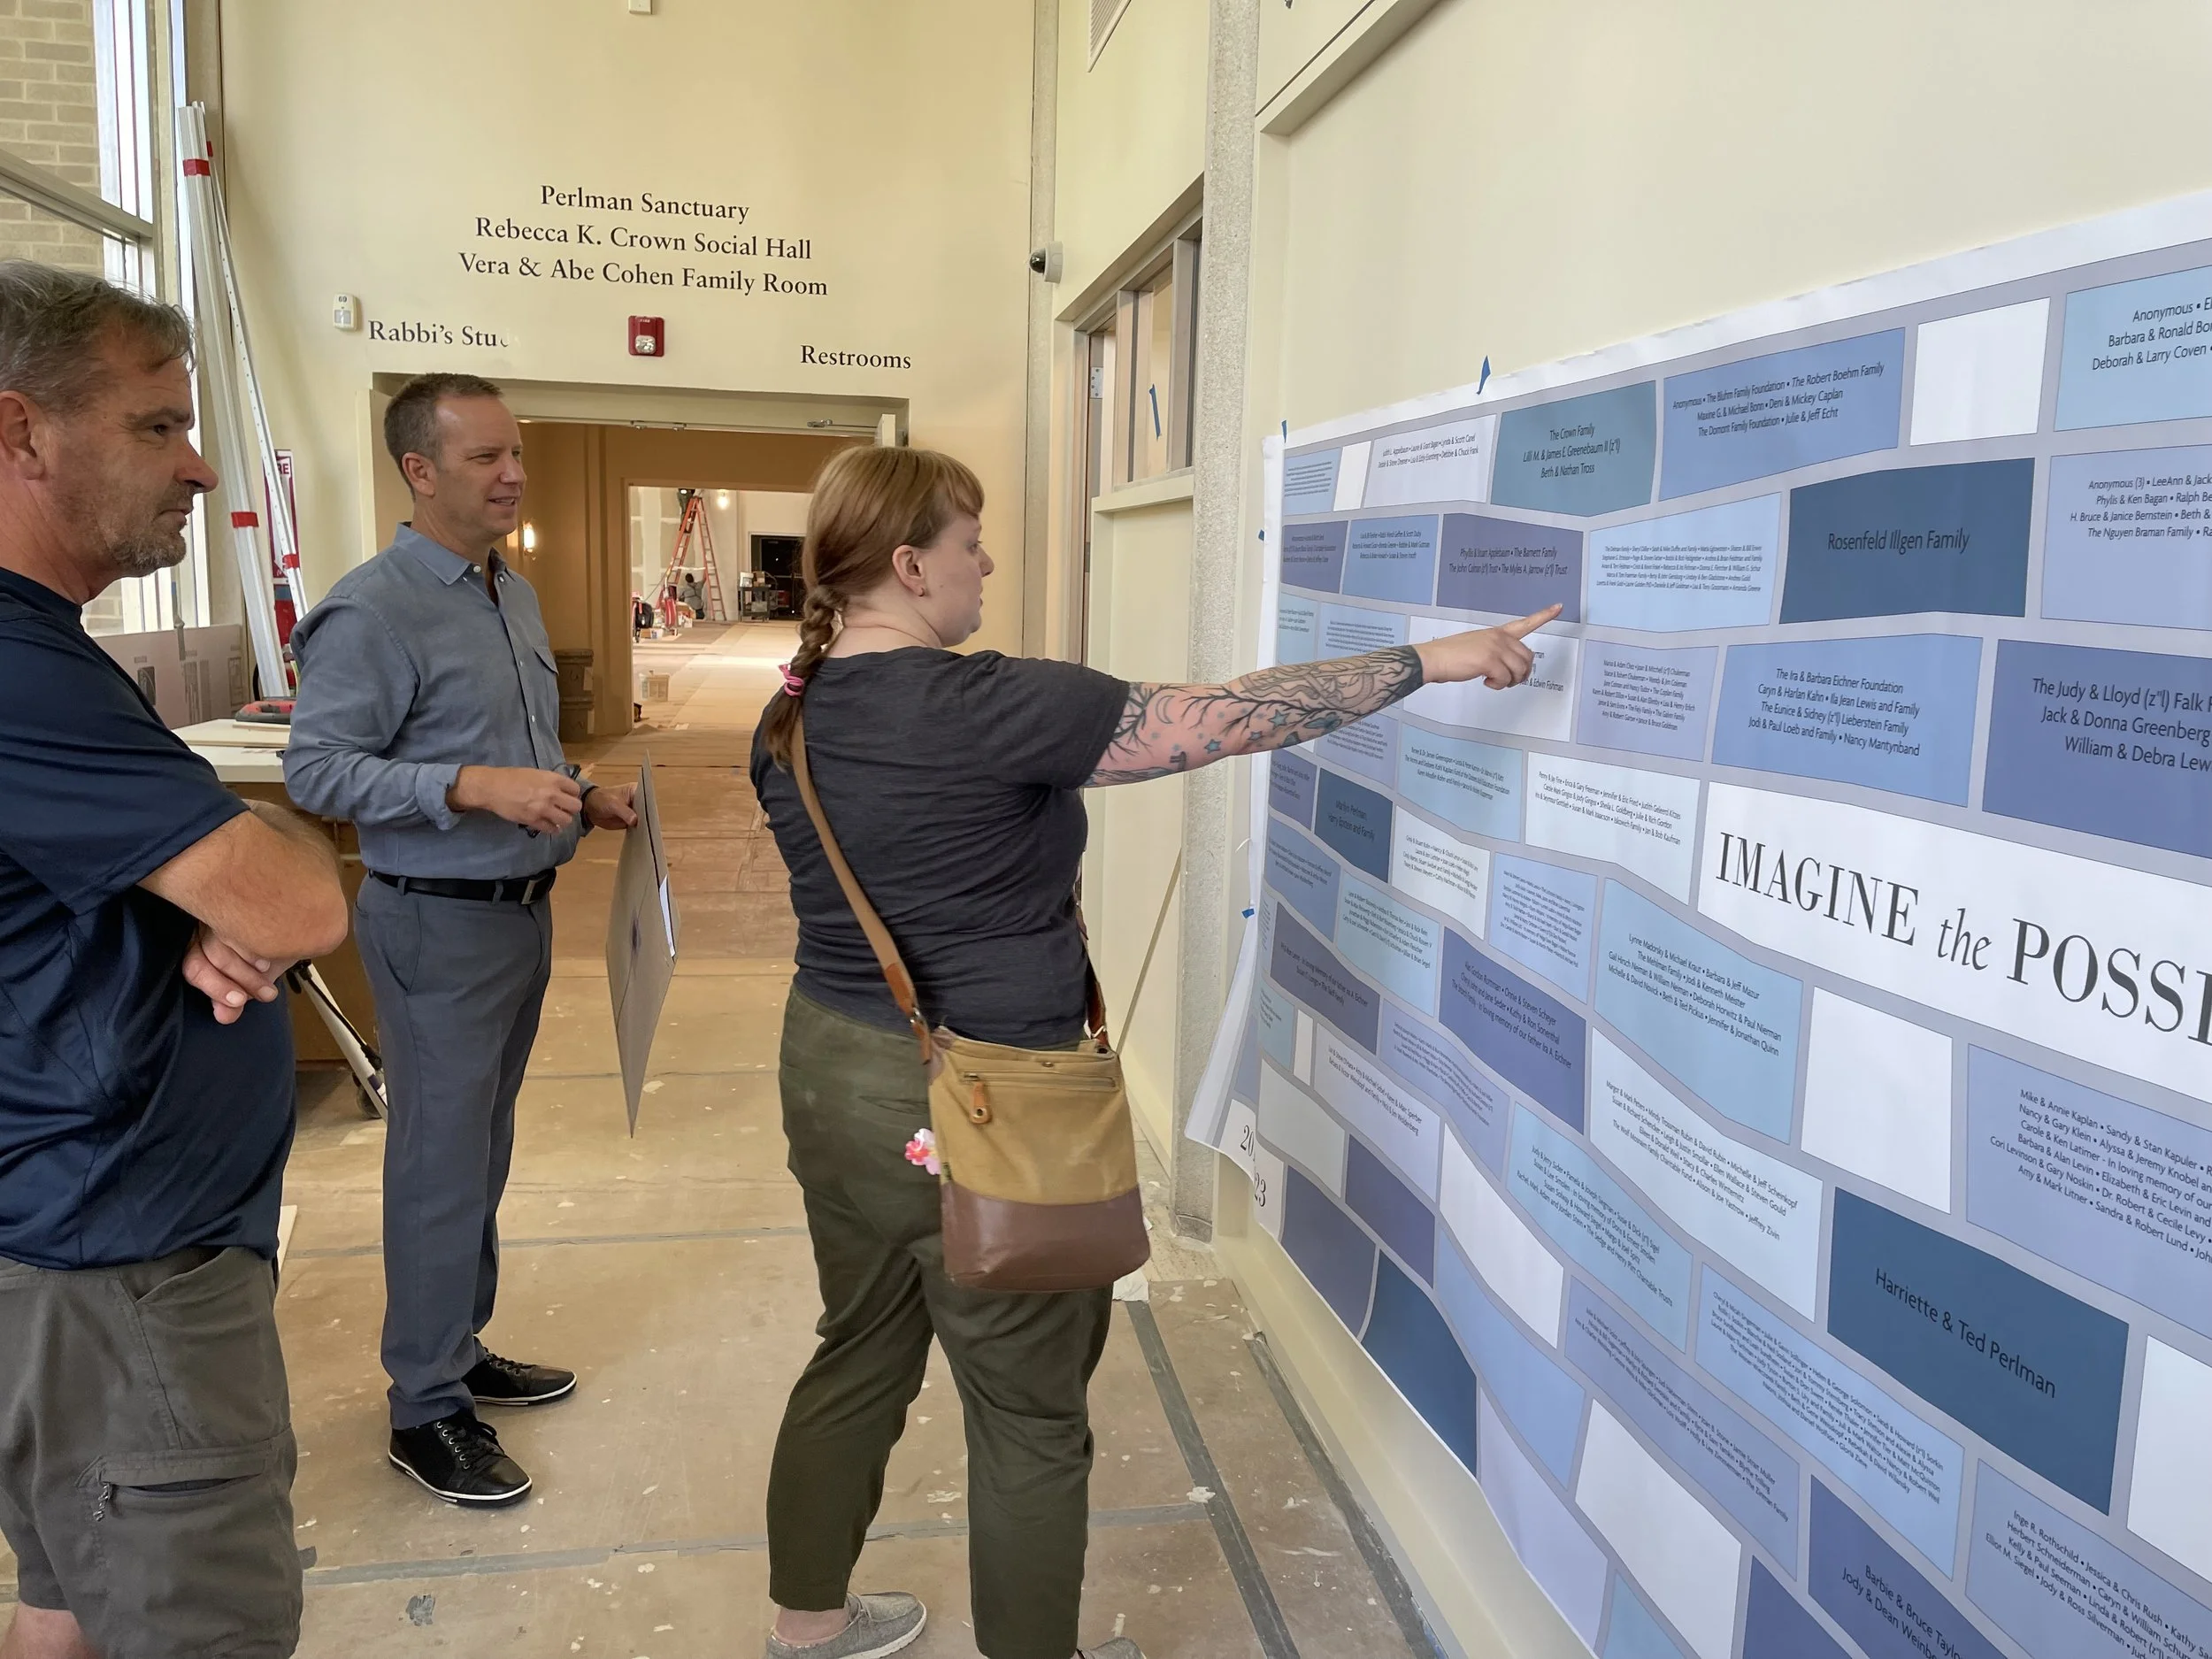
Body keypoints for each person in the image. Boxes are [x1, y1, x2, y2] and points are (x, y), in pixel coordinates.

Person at [748, 445, 1556, 1659]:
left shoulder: (789, 712)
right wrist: (1430, 658)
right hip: (990, 1097)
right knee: (1029, 1410)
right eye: (972, 544)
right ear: (910, 566)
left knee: (859, 1339)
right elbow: (1229, 716)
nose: (989, 563)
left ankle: (805, 1620)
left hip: (831, 1067)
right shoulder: (986, 702)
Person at [0, 262, 350, 1659]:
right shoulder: (20, 671)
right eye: (156, 426)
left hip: (69, 1255)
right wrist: (232, 887)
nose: (199, 466)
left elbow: (231, 897)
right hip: (122, 1271)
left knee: (62, 1596)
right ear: (20, 434)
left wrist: (201, 896)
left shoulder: (50, 659)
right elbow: (301, 900)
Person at [284, 373, 638, 1510]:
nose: (514, 474)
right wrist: (474, 787)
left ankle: (457, 1345)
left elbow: (519, 745)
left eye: (517, 454)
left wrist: (578, 798)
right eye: (485, 458)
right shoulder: (373, 608)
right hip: (435, 924)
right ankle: (423, 1408)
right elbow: (318, 768)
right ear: (419, 472)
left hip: (519, 921)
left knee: (477, 1155)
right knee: (437, 1169)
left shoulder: (509, 595)